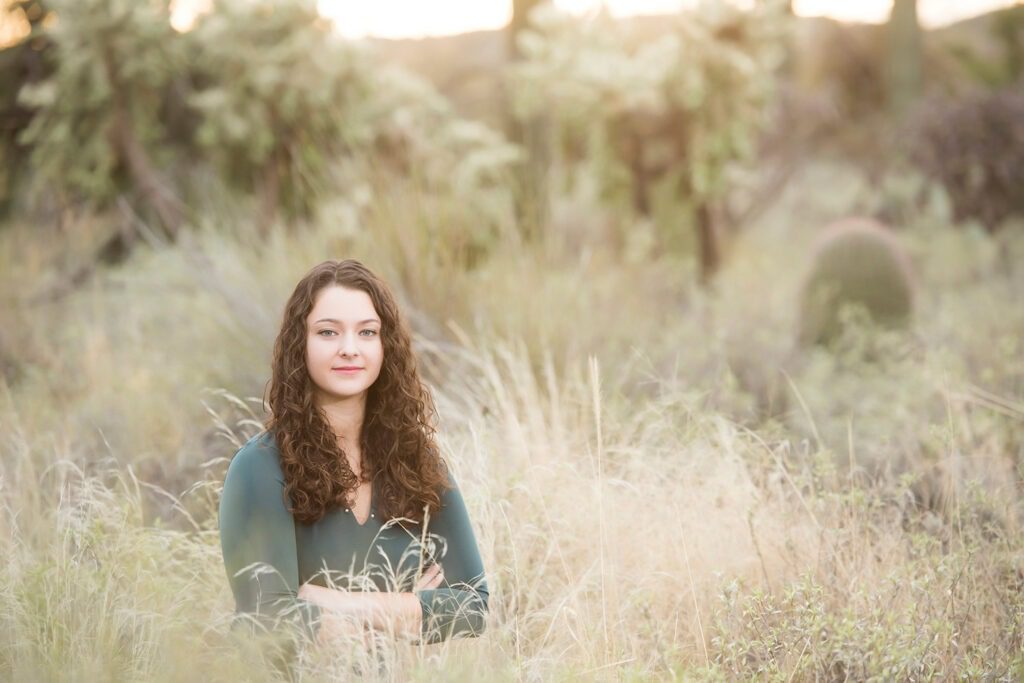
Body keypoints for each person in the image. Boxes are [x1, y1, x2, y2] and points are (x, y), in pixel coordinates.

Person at [218, 258, 488, 654]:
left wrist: (336, 601)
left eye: (367, 332)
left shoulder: (416, 461)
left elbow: (474, 606)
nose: (349, 349)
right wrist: (410, 611)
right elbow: (265, 618)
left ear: (385, 345)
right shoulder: (259, 468)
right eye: (328, 332)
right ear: (301, 344)